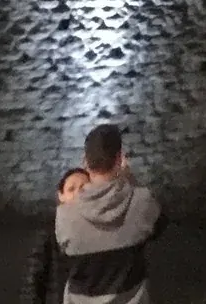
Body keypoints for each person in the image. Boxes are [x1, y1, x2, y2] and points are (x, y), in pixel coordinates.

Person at [54, 123, 165, 304]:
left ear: (85, 162)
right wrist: (129, 178)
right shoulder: (142, 201)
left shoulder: (65, 216)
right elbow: (158, 226)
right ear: (120, 158)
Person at [22, 167, 88, 304]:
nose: (79, 193)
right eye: (71, 189)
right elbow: (34, 280)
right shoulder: (49, 231)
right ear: (61, 195)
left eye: (84, 187)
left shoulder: (102, 227)